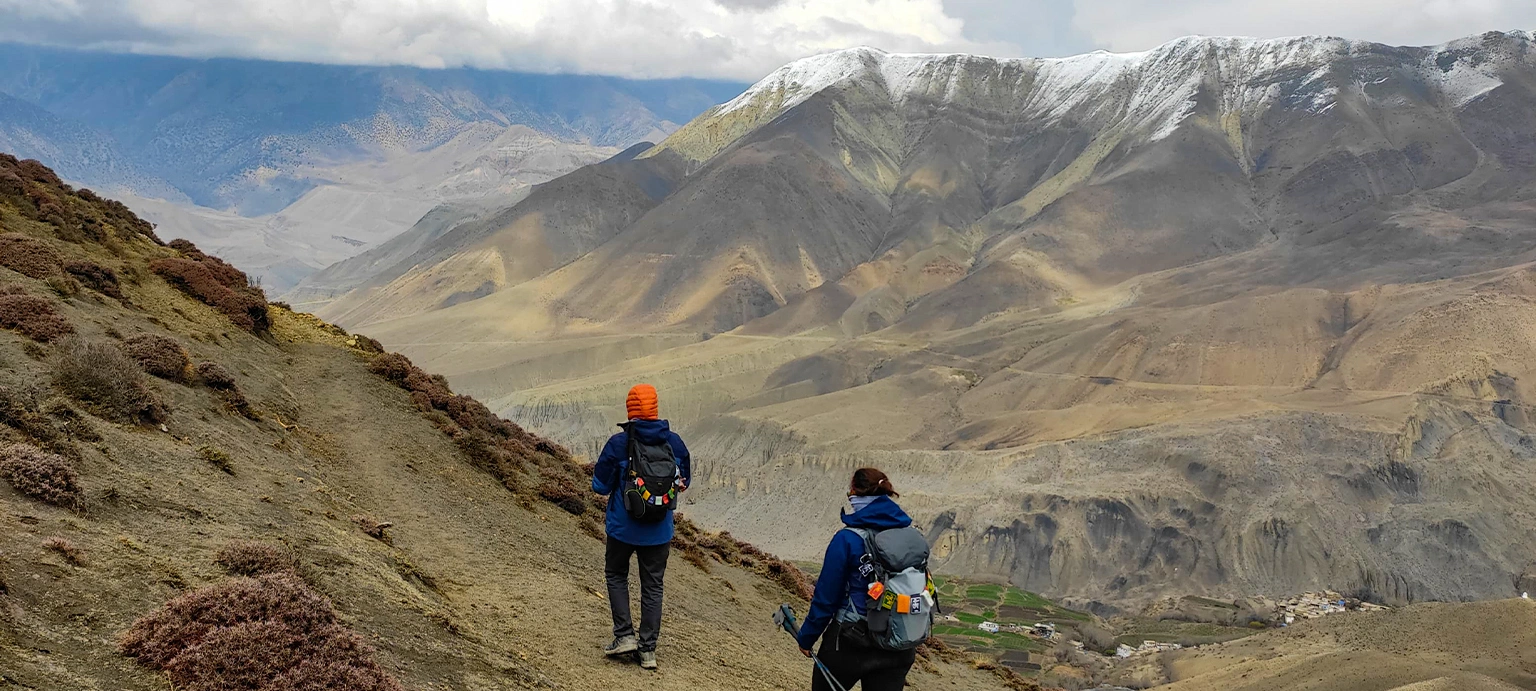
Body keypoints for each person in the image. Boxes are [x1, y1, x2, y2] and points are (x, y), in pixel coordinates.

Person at [591, 383, 691, 670]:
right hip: (659, 531)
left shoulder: (618, 444)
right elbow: (684, 481)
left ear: (630, 409)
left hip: (622, 528)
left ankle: (624, 636)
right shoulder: (675, 443)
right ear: (656, 408)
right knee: (653, 586)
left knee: (616, 574)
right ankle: (648, 651)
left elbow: (599, 485)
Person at [796, 468, 918, 691]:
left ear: (856, 492)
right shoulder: (911, 536)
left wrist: (807, 637)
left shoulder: (847, 539)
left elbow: (826, 597)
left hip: (850, 642)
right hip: (899, 643)